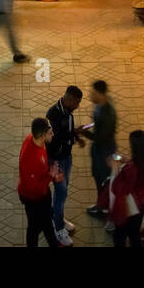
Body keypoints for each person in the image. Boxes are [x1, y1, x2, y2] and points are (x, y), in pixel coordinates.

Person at [46, 85, 86, 245]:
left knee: (62, 191)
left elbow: (66, 133)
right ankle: (58, 228)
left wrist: (75, 132)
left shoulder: (67, 113)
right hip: (56, 162)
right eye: (76, 102)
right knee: (61, 193)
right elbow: (54, 141)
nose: (78, 106)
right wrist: (72, 139)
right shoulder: (53, 115)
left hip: (66, 158)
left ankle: (58, 217)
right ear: (68, 99)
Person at [108, 130, 144, 246]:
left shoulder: (131, 169)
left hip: (130, 208)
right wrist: (128, 161)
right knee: (134, 233)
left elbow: (116, 187)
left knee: (119, 236)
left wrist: (114, 167)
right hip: (143, 202)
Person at [18, 118, 62, 247]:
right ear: (42, 135)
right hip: (33, 199)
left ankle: (54, 243)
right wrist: (51, 175)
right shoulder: (31, 158)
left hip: (42, 194)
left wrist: (51, 171)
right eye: (50, 132)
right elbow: (33, 188)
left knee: (47, 222)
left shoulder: (34, 139)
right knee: (34, 228)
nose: (53, 134)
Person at [86, 80, 117, 220]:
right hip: (99, 149)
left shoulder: (108, 114)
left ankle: (105, 209)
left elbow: (101, 138)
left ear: (100, 94)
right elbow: (96, 124)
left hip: (104, 151)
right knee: (98, 177)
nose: (90, 95)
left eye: (93, 93)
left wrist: (84, 133)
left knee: (104, 180)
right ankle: (101, 205)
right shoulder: (100, 104)